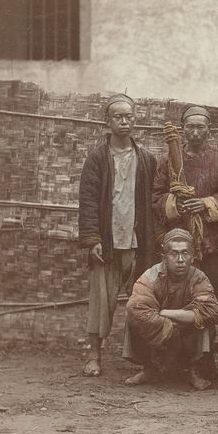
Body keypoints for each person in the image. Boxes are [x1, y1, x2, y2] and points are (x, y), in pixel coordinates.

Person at [78, 93, 157, 377]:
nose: (124, 122)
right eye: (118, 117)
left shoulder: (146, 159)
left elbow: (154, 202)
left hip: (137, 243)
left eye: (129, 116)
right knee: (102, 300)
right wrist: (92, 239)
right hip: (108, 243)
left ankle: (142, 359)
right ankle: (94, 354)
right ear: (107, 121)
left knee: (142, 300)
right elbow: (87, 200)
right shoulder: (97, 158)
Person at [152, 104, 218, 313]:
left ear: (209, 129)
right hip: (178, 241)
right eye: (190, 127)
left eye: (200, 127)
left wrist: (205, 203)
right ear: (182, 129)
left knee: (212, 298)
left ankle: (210, 342)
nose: (195, 133)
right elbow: (156, 197)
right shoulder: (168, 160)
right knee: (179, 299)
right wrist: (175, 205)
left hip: (209, 242)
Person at [122, 228, 218, 390]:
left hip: (186, 334)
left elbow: (213, 310)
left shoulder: (199, 277)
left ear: (192, 256)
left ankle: (193, 371)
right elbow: (137, 307)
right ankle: (149, 368)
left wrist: (165, 313)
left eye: (185, 253)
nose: (181, 259)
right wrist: (172, 324)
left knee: (204, 322)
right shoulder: (150, 276)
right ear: (164, 257)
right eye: (174, 254)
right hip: (159, 333)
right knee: (133, 318)